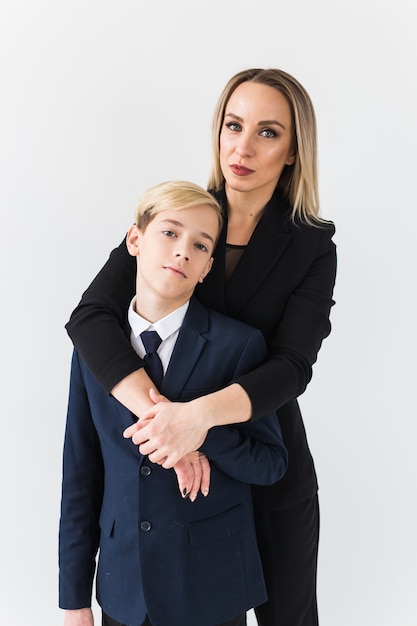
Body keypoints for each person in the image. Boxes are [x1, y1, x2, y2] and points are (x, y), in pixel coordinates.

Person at [66, 68, 337, 626]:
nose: (243, 146)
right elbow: (91, 319)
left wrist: (198, 421)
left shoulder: (312, 244)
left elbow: (291, 367)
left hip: (264, 462)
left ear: (292, 151)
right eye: (233, 125)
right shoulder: (182, 218)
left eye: (268, 132)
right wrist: (168, 426)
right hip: (172, 477)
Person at [59, 180, 288, 626]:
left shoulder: (237, 346)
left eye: (201, 245)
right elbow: (80, 473)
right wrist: (74, 599)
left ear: (206, 269)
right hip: (123, 588)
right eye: (170, 232)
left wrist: (201, 435)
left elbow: (271, 464)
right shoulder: (92, 348)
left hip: (212, 587)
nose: (183, 250)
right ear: (135, 240)